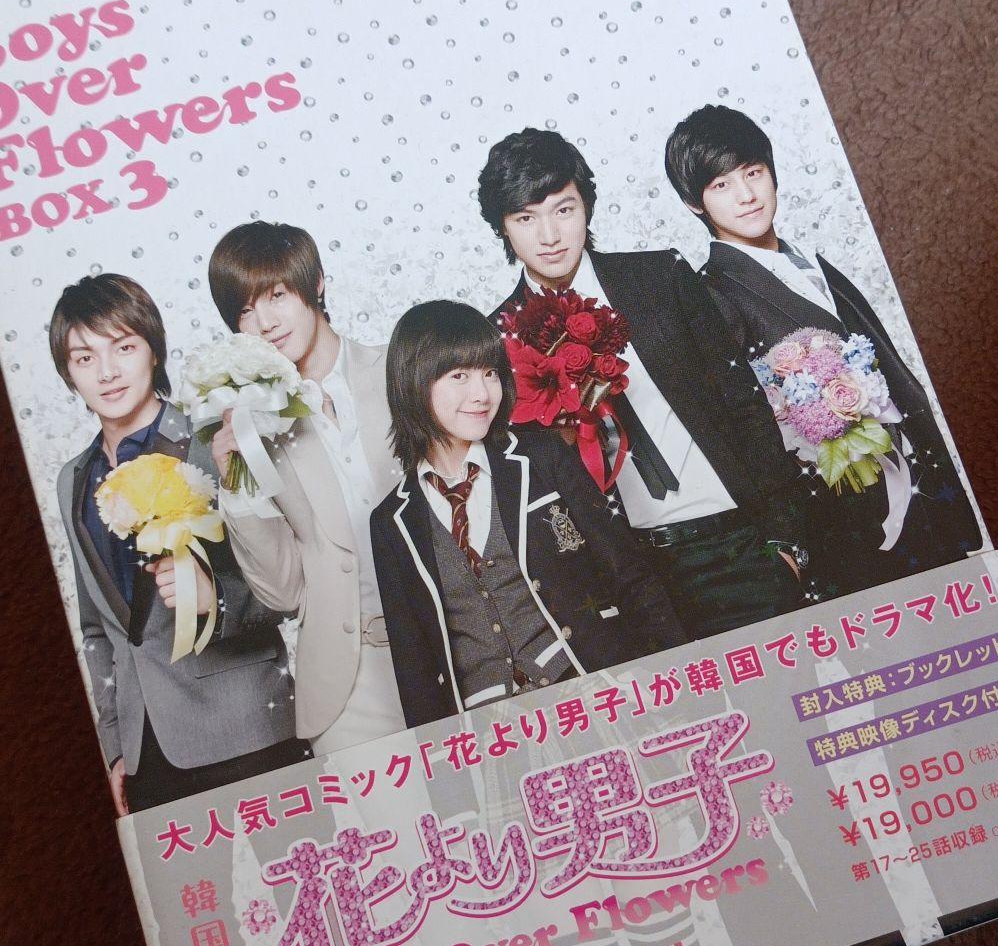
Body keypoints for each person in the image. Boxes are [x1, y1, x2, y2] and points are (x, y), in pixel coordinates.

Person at [478, 127, 810, 640]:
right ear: (502, 228)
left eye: (564, 210)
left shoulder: (660, 277)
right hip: (631, 576)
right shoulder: (500, 341)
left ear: (586, 207)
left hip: (739, 541)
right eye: (525, 218)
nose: (549, 236)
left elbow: (742, 400)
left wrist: (786, 538)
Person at [665, 104, 982, 593]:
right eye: (721, 184)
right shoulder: (712, 295)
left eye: (753, 173)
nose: (747, 195)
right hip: (845, 522)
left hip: (924, 493)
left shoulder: (814, 264)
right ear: (693, 203)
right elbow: (744, 428)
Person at [51, 274, 305, 814]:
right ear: (68, 372)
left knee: (308, 869)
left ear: (154, 348)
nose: (107, 372)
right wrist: (116, 748)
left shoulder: (215, 438)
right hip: (148, 754)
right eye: (85, 358)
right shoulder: (73, 479)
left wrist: (216, 597)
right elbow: (98, 629)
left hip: (248, 727)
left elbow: (291, 580)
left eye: (123, 347)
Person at [369, 300, 686, 727]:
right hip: (490, 729)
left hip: (589, 687)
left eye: (489, 373)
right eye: (459, 376)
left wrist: (672, 673)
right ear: (412, 382)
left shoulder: (541, 455)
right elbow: (414, 667)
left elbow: (627, 571)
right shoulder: (391, 521)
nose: (482, 394)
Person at [208, 221, 405, 754]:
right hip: (348, 683)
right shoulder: (254, 428)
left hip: (452, 649)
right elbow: (282, 592)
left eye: (277, 295)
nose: (265, 323)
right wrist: (237, 485)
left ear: (316, 282)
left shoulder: (398, 369)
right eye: (245, 311)